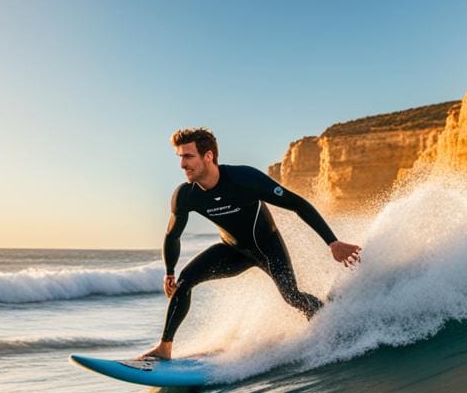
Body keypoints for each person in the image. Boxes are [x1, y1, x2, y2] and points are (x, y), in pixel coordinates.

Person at [140, 127, 361, 360]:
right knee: (184, 281)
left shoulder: (244, 178)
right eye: (180, 157)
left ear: (208, 156)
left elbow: (297, 204)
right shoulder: (186, 195)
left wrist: (332, 242)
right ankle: (164, 348)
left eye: (188, 156)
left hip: (267, 247)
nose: (182, 165)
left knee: (291, 296)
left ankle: (328, 321)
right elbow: (172, 235)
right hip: (233, 251)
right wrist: (169, 271)